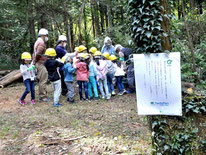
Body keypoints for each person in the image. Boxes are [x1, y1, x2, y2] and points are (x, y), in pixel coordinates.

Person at [33, 28, 50, 102]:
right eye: (46, 35)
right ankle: (43, 96)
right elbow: (38, 54)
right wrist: (34, 62)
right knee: (43, 79)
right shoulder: (41, 43)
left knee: (42, 79)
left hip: (39, 63)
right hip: (40, 63)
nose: (47, 37)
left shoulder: (38, 41)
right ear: (44, 35)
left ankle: (43, 95)